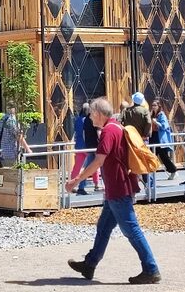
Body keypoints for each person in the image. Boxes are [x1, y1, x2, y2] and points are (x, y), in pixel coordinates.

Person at [65, 97, 161, 285]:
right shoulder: (117, 126)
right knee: (104, 227)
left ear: (99, 114)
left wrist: (76, 180)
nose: (90, 118)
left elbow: (98, 161)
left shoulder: (108, 131)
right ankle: (90, 264)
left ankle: (151, 269)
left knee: (132, 230)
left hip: (118, 188)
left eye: (92, 114)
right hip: (117, 188)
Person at [71, 104, 101, 195]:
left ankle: (72, 183)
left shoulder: (77, 120)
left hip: (79, 145)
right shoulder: (89, 120)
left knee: (77, 166)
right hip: (87, 146)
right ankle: (96, 184)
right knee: (93, 166)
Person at [150, 99, 177, 180]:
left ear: (159, 106)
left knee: (164, 157)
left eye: (155, 105)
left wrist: (156, 122)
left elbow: (164, 126)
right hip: (153, 137)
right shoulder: (152, 115)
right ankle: (150, 175)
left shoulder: (161, 115)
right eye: (152, 105)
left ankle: (173, 170)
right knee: (151, 156)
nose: (153, 107)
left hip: (160, 138)